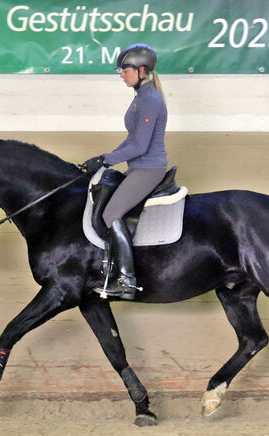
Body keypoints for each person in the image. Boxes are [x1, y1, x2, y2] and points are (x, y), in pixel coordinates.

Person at [81, 43, 168, 300]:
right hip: (137, 167)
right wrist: (104, 158)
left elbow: (140, 146)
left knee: (111, 213)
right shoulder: (140, 97)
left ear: (142, 70)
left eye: (125, 70)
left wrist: (108, 160)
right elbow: (132, 139)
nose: (121, 74)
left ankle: (128, 281)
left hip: (148, 169)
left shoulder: (150, 99)